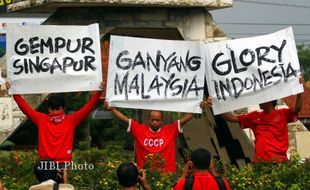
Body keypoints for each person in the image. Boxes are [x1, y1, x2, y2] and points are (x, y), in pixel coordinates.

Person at [6, 82, 102, 165]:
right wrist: (13, 92)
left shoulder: (71, 120)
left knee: (62, 186)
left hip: (63, 164)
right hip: (45, 164)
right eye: (52, 109)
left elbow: (88, 108)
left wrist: (99, 93)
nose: (55, 112)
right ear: (48, 109)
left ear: (63, 108)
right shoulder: (41, 119)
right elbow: (25, 108)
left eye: (58, 109)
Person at [218, 75, 305, 163]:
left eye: (262, 98)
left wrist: (299, 90)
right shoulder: (254, 116)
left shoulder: (283, 114)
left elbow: (297, 109)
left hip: (279, 162)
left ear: (270, 100)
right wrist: (217, 107)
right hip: (260, 162)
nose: (259, 100)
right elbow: (232, 118)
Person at [104, 101, 197, 173]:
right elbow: (124, 119)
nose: (155, 122)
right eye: (153, 120)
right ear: (148, 120)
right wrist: (112, 109)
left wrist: (197, 106)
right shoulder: (139, 130)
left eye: (157, 120)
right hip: (145, 175)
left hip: (167, 176)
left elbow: (185, 119)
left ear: (161, 121)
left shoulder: (170, 130)